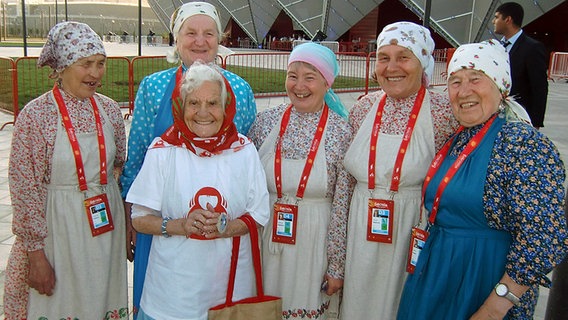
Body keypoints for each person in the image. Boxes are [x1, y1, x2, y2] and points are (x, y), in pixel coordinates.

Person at [397, 39, 568, 320]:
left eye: (476, 79)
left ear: (501, 87)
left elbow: (544, 238)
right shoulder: (457, 139)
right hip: (438, 276)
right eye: (455, 81)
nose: (464, 91)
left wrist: (493, 309)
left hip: (484, 283)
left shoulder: (523, 144)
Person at [119, 1, 258, 316]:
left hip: (219, 226)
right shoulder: (153, 88)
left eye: (208, 33)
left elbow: (248, 154)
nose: (200, 41)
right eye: (190, 33)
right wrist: (131, 213)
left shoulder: (239, 88)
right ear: (175, 39)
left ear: (219, 39)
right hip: (162, 222)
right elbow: (138, 154)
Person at [3, 21, 128, 318]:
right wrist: (36, 254)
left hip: (104, 232)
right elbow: (24, 187)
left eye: (100, 64)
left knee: (101, 300)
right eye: (86, 64)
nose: (96, 73)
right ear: (61, 67)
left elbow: (119, 165)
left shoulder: (110, 110)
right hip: (57, 232)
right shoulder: (37, 115)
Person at [339, 21, 459, 319]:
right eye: (384, 57)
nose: (392, 67)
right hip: (360, 235)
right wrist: (335, 260)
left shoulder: (445, 113)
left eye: (403, 57)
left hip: (411, 234)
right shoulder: (362, 108)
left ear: (424, 62)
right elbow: (344, 186)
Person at [247, 42, 352, 319]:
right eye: (293, 75)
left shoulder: (342, 132)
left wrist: (336, 267)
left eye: (310, 77)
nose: (299, 85)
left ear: (327, 83)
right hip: (265, 238)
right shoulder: (265, 122)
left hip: (314, 245)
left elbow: (342, 206)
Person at [493, 2, 548, 129]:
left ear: (508, 19)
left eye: (496, 17)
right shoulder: (496, 46)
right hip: (495, 116)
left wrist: (535, 123)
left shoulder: (532, 48)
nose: (493, 21)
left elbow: (539, 88)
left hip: (519, 117)